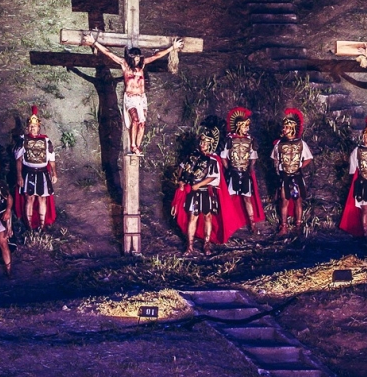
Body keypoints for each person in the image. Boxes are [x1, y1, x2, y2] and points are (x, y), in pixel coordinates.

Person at [82, 34, 183, 154]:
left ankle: (137, 146)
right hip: (130, 98)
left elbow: (157, 55)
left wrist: (172, 48)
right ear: (130, 58)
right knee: (135, 120)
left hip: (141, 98)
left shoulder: (142, 65)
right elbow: (108, 53)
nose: (137, 60)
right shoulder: (125, 65)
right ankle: (133, 144)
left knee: (142, 123)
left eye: (138, 58)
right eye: (135, 58)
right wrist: (94, 43)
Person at [171, 125, 244, 255]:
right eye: (201, 142)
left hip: (205, 192)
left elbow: (213, 177)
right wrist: (181, 180)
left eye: (205, 142)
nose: (202, 144)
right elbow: (182, 169)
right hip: (193, 193)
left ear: (210, 145)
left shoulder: (212, 160)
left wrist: (199, 185)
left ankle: (206, 244)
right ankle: (190, 246)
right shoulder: (192, 157)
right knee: (192, 217)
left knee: (207, 218)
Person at [220, 107, 265, 233]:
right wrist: (228, 169)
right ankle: (228, 223)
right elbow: (224, 156)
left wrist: (250, 169)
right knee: (230, 197)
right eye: (246, 126)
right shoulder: (229, 139)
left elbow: (253, 157)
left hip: (245, 172)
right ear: (240, 126)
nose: (247, 129)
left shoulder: (250, 140)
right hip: (233, 172)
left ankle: (252, 224)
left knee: (247, 198)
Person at [14, 106, 57, 231]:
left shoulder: (46, 140)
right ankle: (29, 227)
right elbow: (18, 160)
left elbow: (52, 160)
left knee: (42, 199)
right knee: (29, 198)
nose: (33, 128)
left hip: (43, 174)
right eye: (31, 126)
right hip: (28, 173)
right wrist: (19, 176)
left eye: (35, 126)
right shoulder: (23, 141)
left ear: (39, 127)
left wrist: (54, 173)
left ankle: (42, 226)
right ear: (28, 128)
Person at [271, 108, 313, 235]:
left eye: (287, 127)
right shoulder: (278, 144)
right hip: (284, 176)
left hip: (297, 176)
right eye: (284, 127)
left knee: (298, 200)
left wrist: (300, 166)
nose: (284, 130)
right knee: (284, 200)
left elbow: (309, 158)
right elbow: (275, 158)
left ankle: (298, 225)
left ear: (292, 129)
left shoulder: (301, 144)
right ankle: (283, 226)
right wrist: (278, 170)